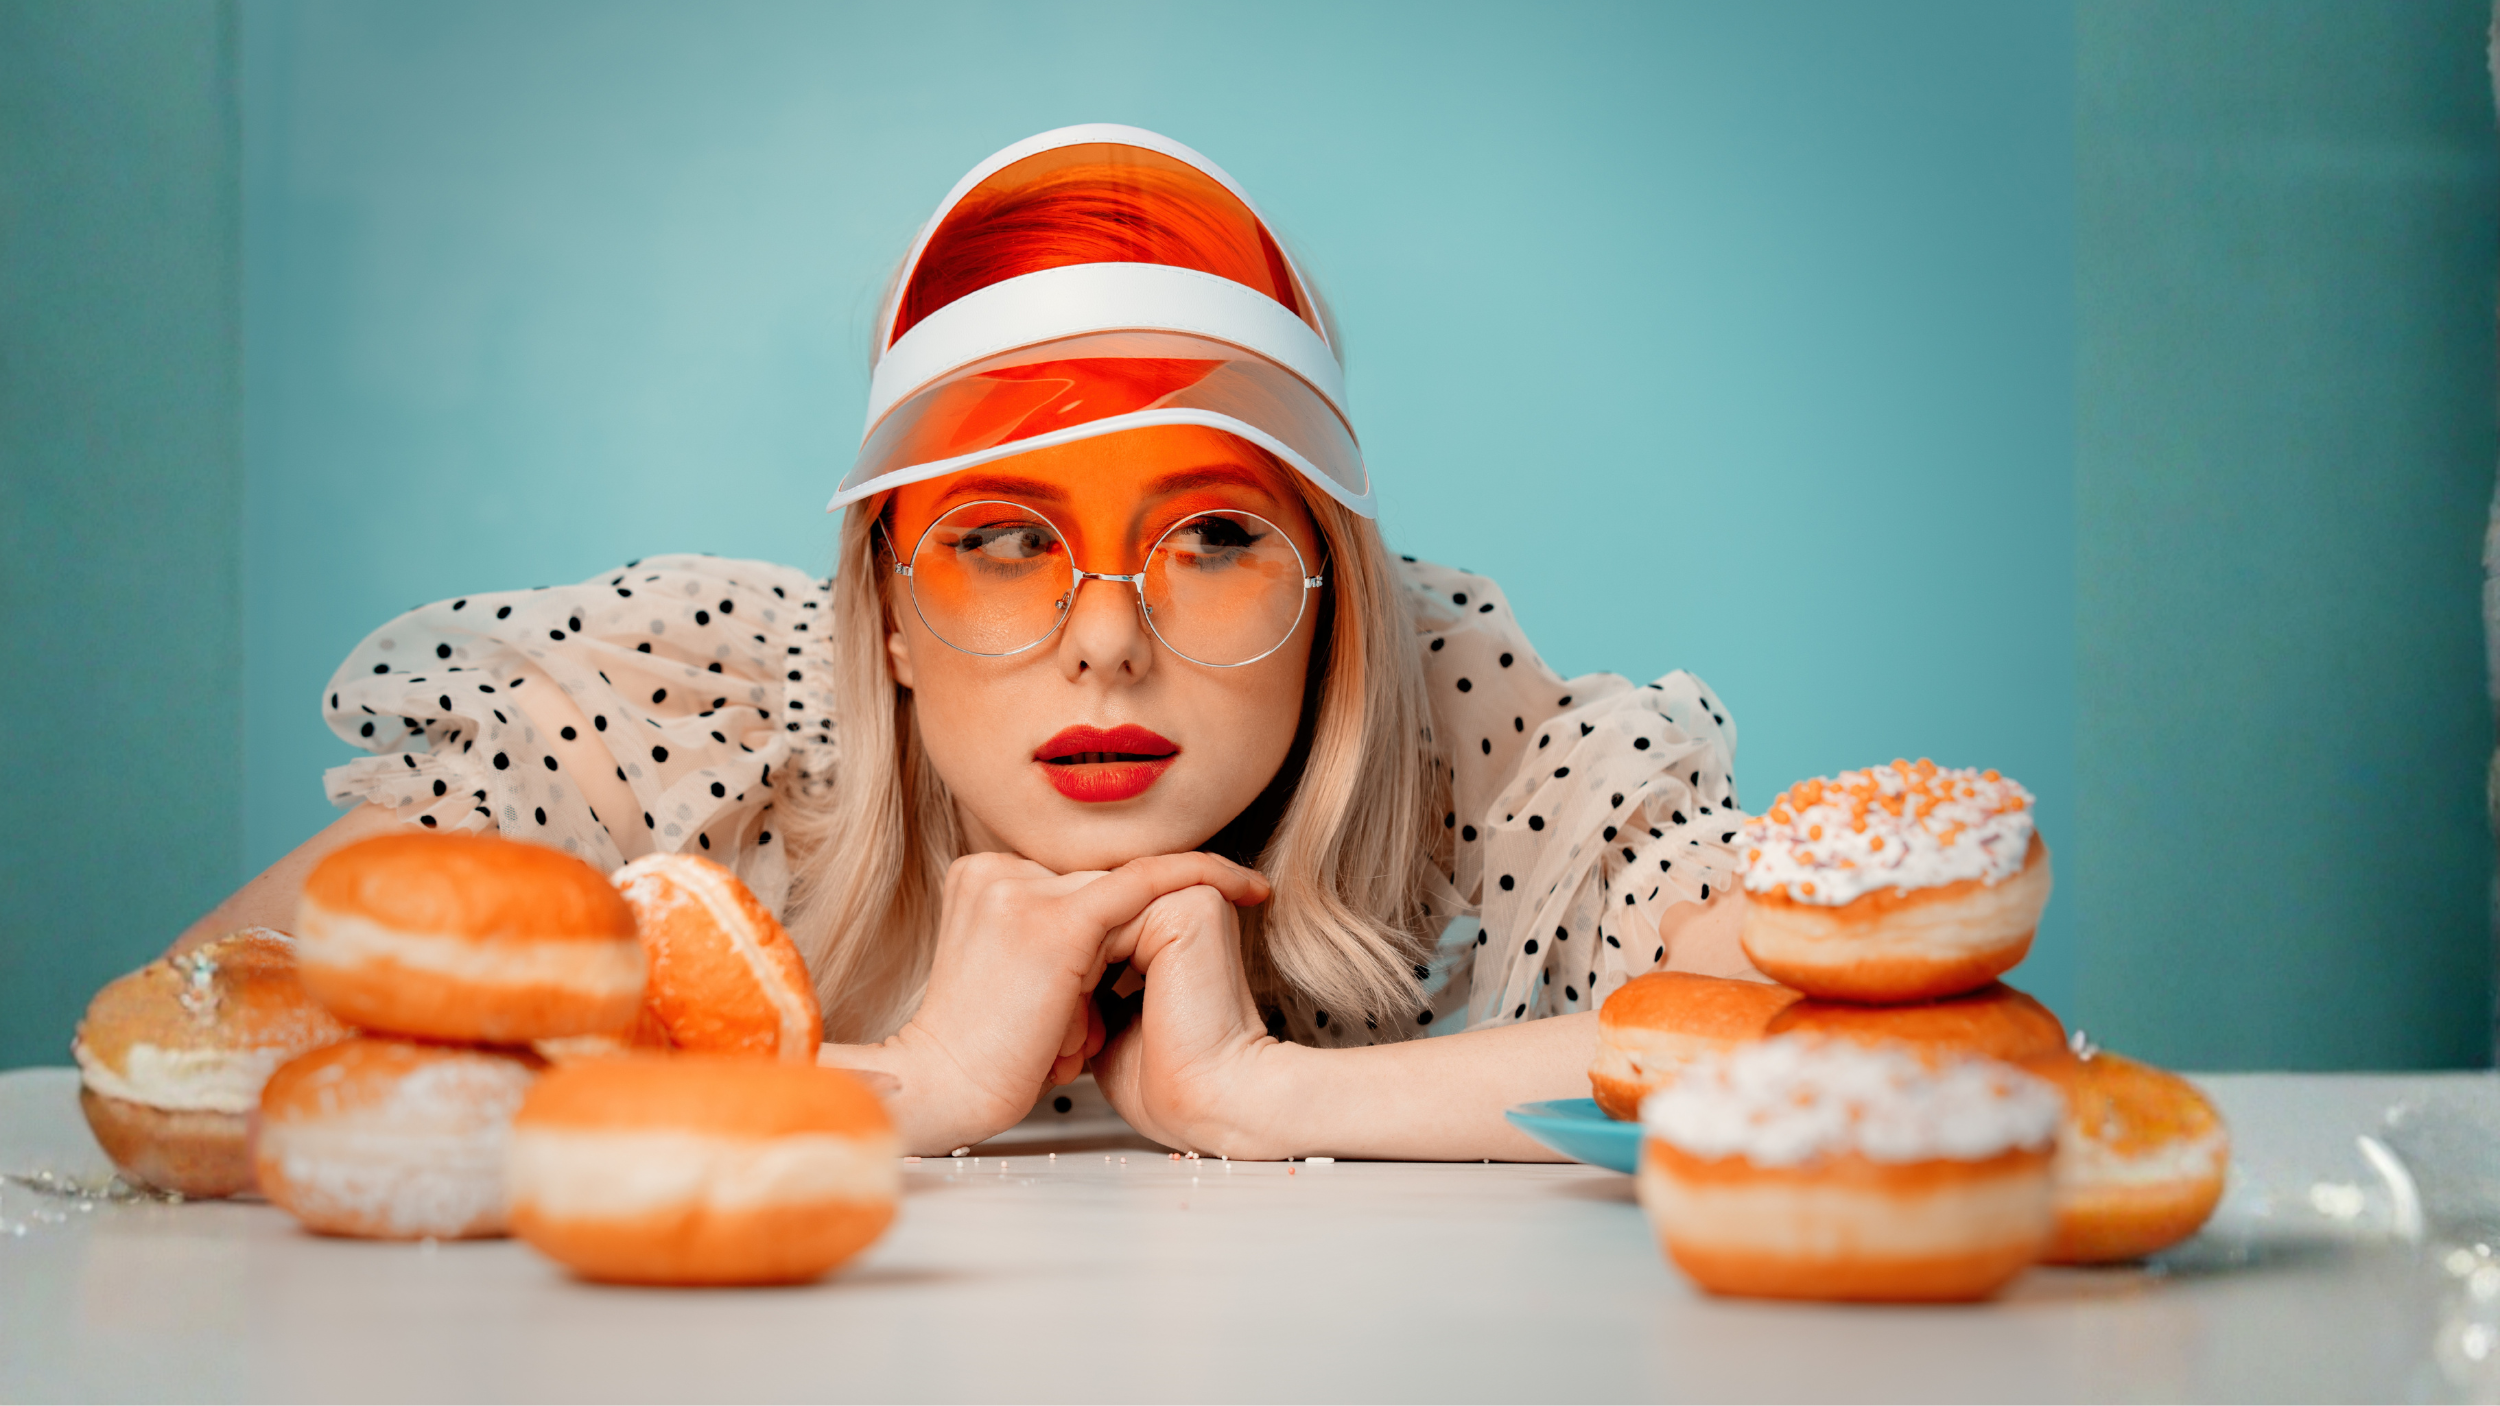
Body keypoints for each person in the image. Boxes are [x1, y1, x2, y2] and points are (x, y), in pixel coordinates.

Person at [180, 125, 1756, 1159]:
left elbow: (1849, 1058)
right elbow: (192, 1047)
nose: (1108, 647)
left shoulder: (1452, 708)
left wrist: (1268, 1093)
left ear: (1335, 586)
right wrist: (908, 1084)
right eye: (1004, 542)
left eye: (1212, 533)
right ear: (885, 614)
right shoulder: (688, 705)